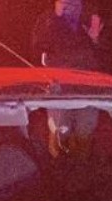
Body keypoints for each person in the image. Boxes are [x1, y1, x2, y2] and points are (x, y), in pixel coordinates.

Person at [31, 0, 105, 156]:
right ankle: (58, 166)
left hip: (88, 86)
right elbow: (37, 46)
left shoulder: (91, 16)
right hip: (59, 87)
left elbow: (108, 55)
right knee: (59, 132)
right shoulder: (47, 18)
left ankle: (82, 166)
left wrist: (96, 40)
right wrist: (55, 17)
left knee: (85, 132)